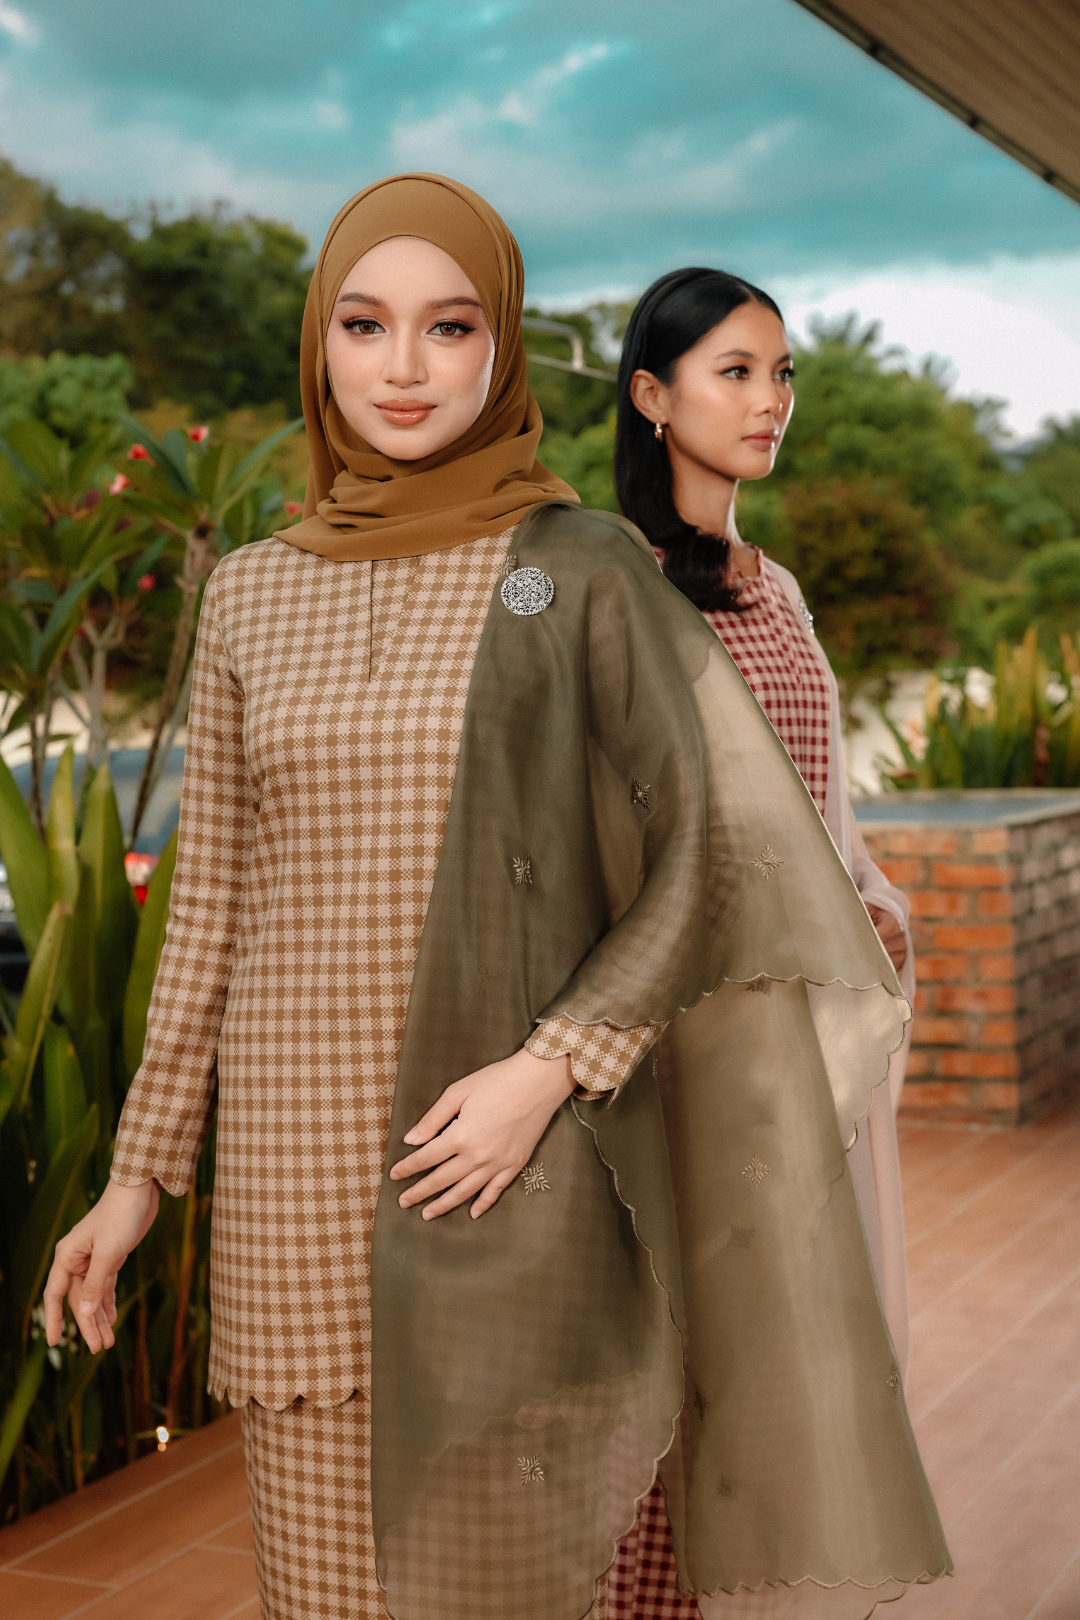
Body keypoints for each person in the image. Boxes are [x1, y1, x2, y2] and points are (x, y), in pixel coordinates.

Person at [44, 178, 948, 1620]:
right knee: (320, 1593)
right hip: (291, 1176)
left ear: (502, 345)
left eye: (449, 326)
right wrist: (137, 1175)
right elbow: (211, 901)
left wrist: (554, 1067)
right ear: (320, 345)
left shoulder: (580, 569)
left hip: (506, 1163)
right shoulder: (252, 596)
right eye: (364, 325)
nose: (403, 366)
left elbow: (710, 854)